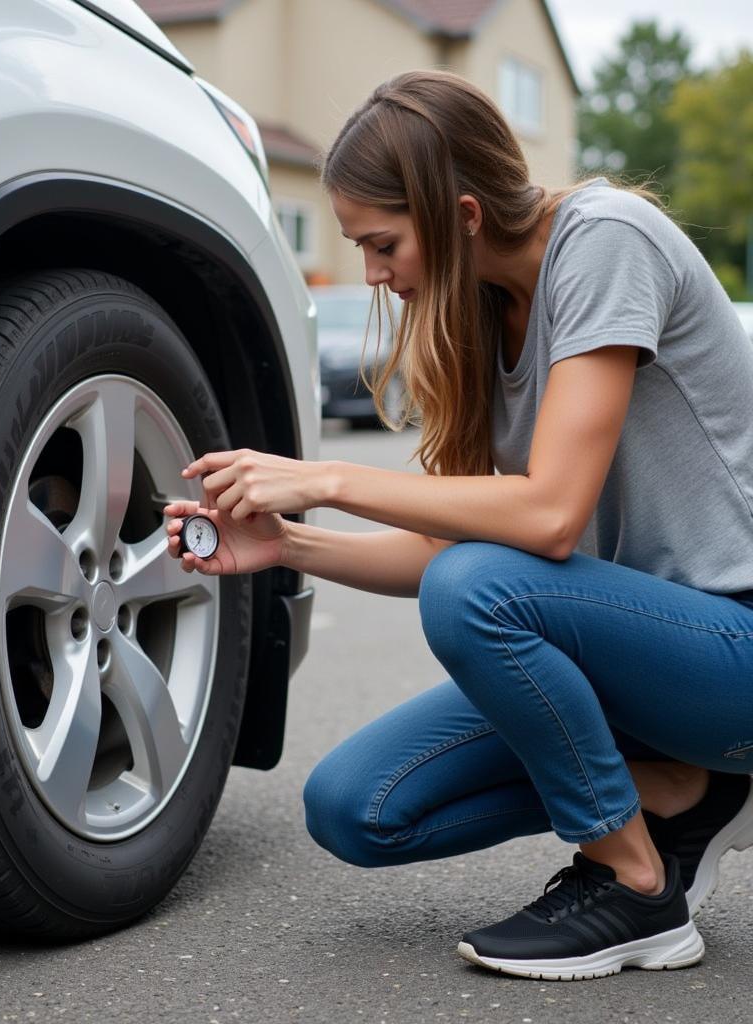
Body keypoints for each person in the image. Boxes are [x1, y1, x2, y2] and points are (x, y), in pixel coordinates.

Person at [163, 70, 753, 981]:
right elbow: (450, 543)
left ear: (463, 215)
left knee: (479, 588)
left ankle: (637, 888)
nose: (371, 273)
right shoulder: (478, 314)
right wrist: (291, 545)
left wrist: (325, 478)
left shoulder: (606, 243)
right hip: (638, 662)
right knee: (356, 805)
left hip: (732, 647)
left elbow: (546, 518)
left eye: (383, 242)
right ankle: (684, 789)